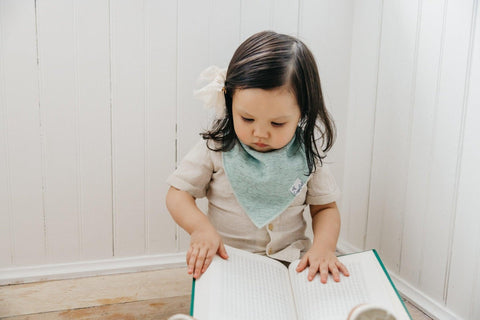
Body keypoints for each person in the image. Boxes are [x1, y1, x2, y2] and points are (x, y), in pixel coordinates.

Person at [166, 30, 349, 283]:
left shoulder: (305, 156)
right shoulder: (216, 148)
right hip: (228, 261)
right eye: (247, 118)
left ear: (302, 113)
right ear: (230, 103)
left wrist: (324, 249)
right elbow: (178, 194)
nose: (260, 133)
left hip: (292, 265)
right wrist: (200, 230)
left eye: (277, 123)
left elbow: (325, 208)